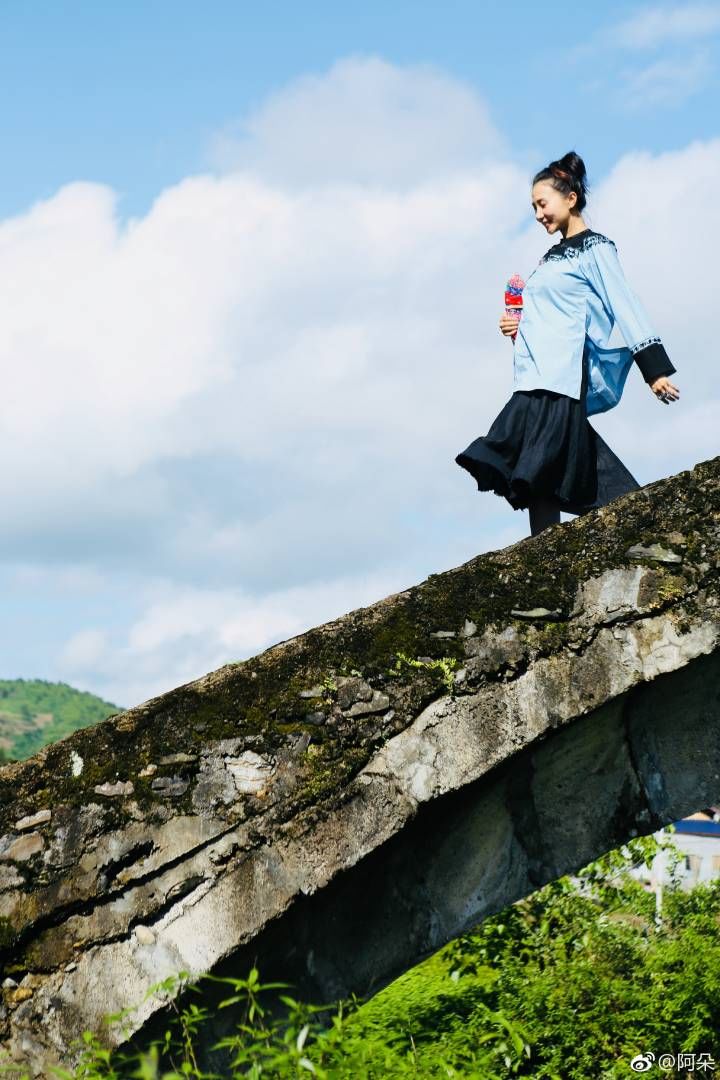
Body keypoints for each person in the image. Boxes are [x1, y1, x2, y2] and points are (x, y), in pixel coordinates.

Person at [455, 151, 680, 537]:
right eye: (534, 207)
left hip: (560, 376)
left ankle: (644, 524)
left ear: (570, 198)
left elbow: (624, 303)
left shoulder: (595, 249)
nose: (538, 213)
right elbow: (552, 318)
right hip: (534, 376)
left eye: (542, 203)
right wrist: (517, 326)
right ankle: (548, 550)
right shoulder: (548, 260)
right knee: (540, 467)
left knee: (535, 461)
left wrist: (654, 369)